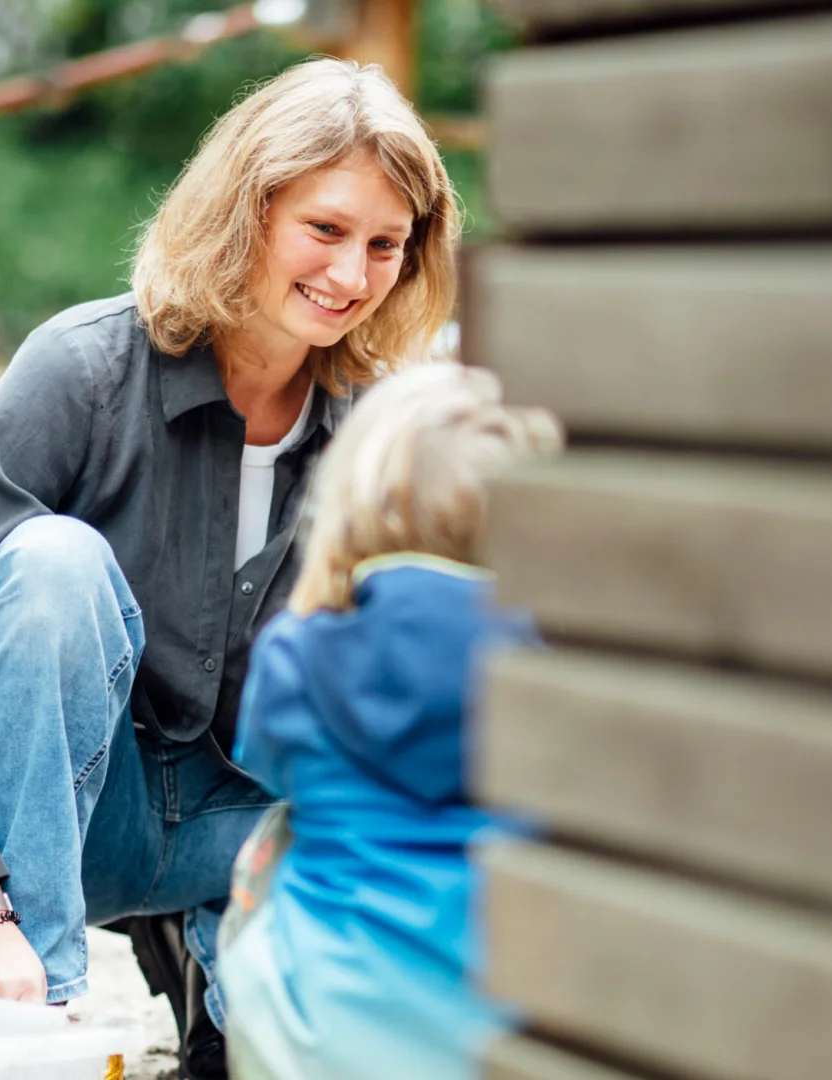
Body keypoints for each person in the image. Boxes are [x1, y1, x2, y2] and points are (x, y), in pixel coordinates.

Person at [0, 57, 461, 1078]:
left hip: (255, 836)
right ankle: (31, 1027)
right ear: (248, 212)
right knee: (51, 566)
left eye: (385, 246)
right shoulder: (81, 371)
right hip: (76, 820)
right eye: (324, 230)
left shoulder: (382, 427)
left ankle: (225, 1009)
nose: (351, 277)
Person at [213, 362, 563, 1080]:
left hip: (324, 1033)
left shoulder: (301, 651)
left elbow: (262, 758)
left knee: (277, 834)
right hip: (512, 1032)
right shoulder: (562, 670)